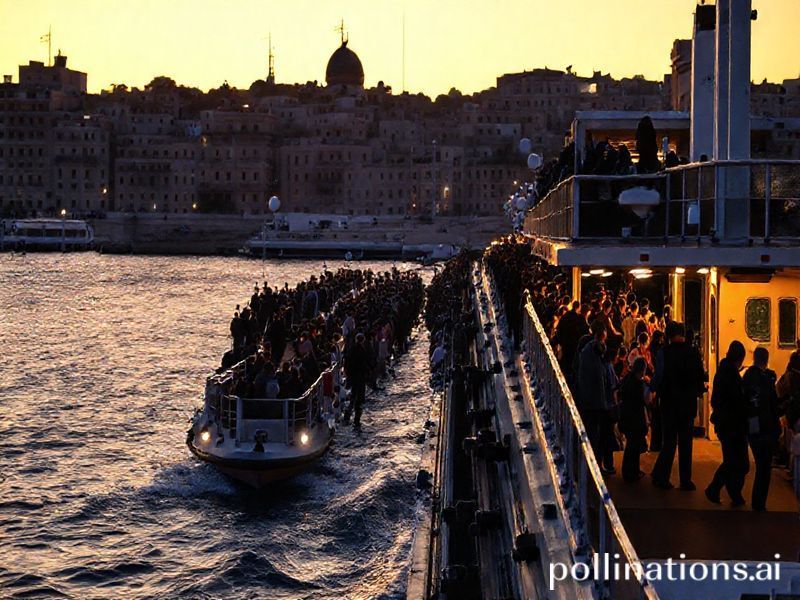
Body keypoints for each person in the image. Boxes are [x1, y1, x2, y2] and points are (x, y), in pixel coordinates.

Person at [651, 321, 705, 490]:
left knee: (669, 441)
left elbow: (658, 377)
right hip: (687, 404)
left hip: (668, 403)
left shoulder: (663, 353)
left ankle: (661, 476)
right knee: (686, 443)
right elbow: (699, 377)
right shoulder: (693, 353)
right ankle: (685, 480)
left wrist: (652, 389)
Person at [706, 341, 749, 506]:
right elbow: (737, 401)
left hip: (725, 424)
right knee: (738, 461)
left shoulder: (722, 372)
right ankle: (719, 489)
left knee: (732, 460)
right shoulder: (732, 375)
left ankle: (728, 491)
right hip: (733, 425)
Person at [743, 347, 780, 511]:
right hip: (766, 426)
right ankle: (759, 503)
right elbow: (773, 404)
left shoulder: (747, 377)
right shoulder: (768, 379)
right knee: (765, 468)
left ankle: (757, 502)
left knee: (760, 464)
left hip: (752, 425)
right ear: (766, 359)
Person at [619, 358, 650, 482]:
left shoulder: (628, 379)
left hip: (627, 417)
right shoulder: (637, 384)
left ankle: (631, 471)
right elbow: (640, 402)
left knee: (631, 445)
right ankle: (631, 472)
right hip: (634, 419)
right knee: (633, 446)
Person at [343, 332, 371, 428]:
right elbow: (363, 363)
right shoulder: (361, 350)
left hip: (354, 375)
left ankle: (348, 416)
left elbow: (347, 361)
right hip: (359, 376)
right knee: (358, 399)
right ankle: (356, 419)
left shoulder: (352, 349)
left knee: (353, 396)